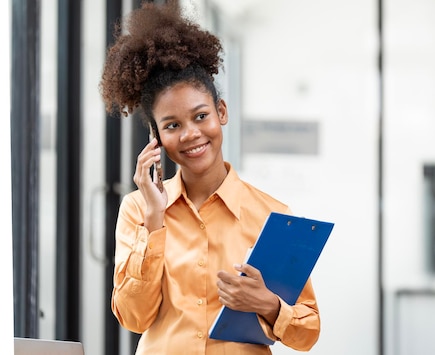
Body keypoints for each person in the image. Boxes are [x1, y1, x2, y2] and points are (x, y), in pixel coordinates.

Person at [99, 2, 321, 354]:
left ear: (221, 112)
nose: (190, 134)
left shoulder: (273, 216)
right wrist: (154, 221)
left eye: (200, 116)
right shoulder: (137, 210)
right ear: (155, 137)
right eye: (172, 125)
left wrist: (267, 303)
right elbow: (132, 318)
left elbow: (308, 331)